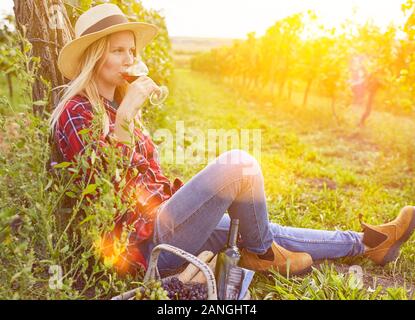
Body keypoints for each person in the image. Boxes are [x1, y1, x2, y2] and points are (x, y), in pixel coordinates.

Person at [50, 4, 415, 277]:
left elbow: (146, 179)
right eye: (118, 50)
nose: (130, 58)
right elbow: (101, 194)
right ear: (94, 56)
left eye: (132, 50)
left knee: (271, 231)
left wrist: (189, 201)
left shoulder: (116, 103)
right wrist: (128, 116)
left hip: (164, 220)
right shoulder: (75, 113)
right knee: (239, 166)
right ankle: (262, 254)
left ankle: (369, 244)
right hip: (145, 245)